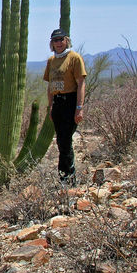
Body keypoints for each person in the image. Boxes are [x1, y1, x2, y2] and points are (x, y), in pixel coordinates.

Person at [43, 28, 87, 186]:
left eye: (61, 39)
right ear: (52, 43)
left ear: (66, 40)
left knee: (65, 140)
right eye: (56, 40)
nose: (59, 43)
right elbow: (50, 86)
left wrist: (79, 107)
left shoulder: (74, 58)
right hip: (57, 103)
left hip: (70, 101)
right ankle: (66, 176)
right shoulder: (51, 61)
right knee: (61, 142)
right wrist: (50, 107)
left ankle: (68, 177)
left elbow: (81, 82)